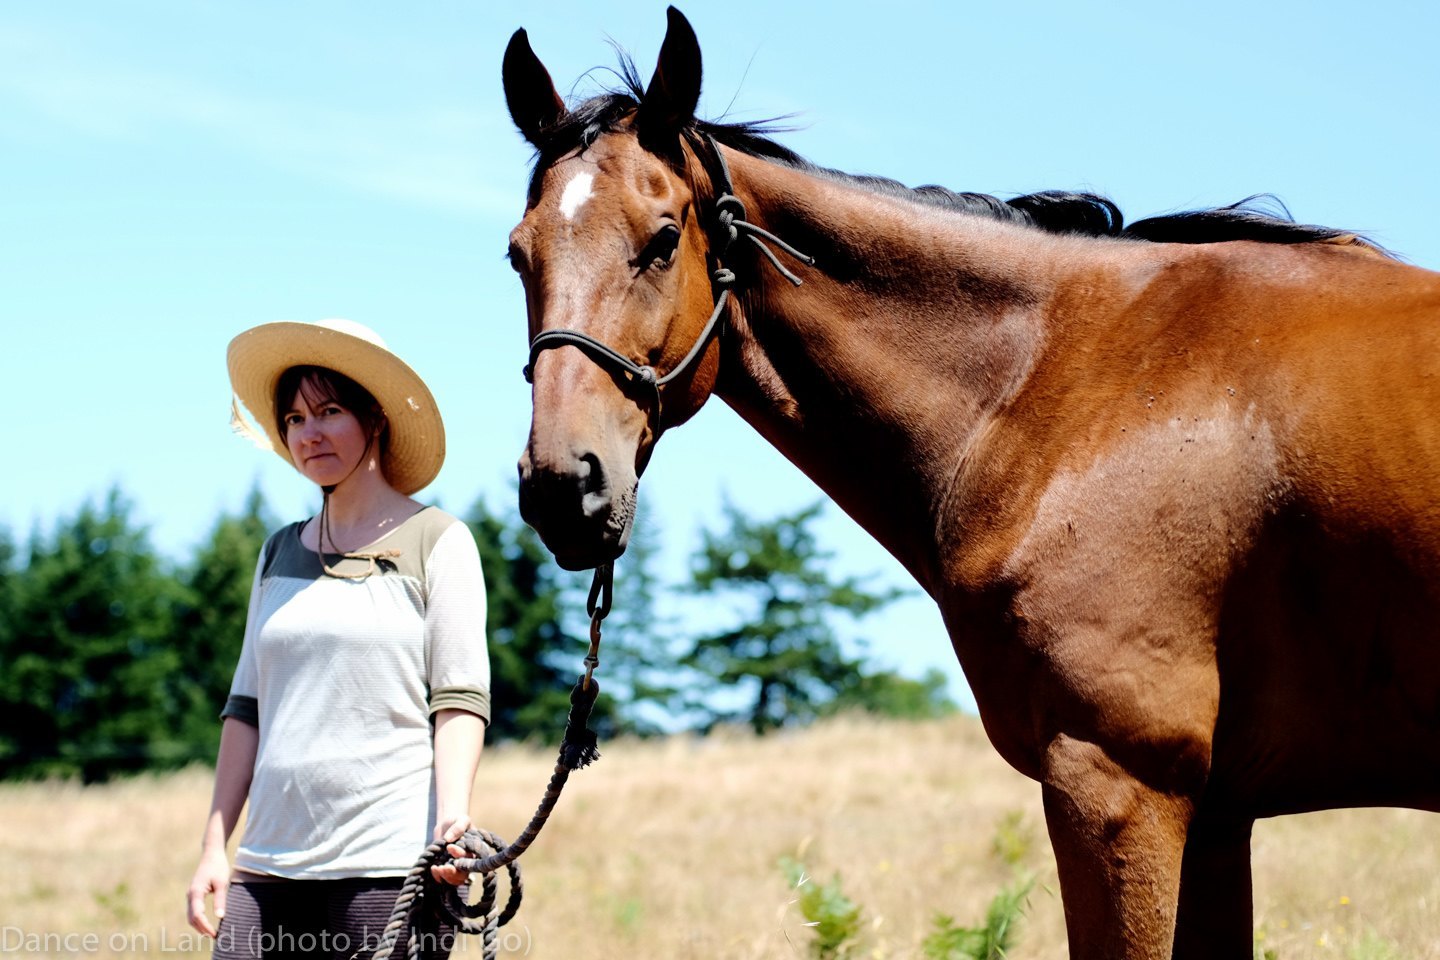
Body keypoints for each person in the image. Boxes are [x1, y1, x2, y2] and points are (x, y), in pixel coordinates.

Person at [186, 318, 490, 960]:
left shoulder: (439, 541)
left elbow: (459, 698)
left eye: (328, 411)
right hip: (266, 868)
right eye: (294, 419)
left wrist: (453, 823)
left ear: (374, 418)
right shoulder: (276, 553)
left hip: (388, 869)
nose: (309, 433)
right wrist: (217, 845)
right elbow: (246, 709)